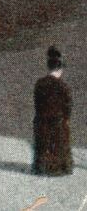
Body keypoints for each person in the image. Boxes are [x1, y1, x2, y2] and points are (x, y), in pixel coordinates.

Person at [36, 45, 73, 176]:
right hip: (58, 123)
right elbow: (67, 107)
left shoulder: (40, 84)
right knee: (60, 144)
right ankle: (60, 168)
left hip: (42, 122)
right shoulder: (63, 87)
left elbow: (37, 104)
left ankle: (42, 167)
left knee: (43, 144)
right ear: (60, 69)